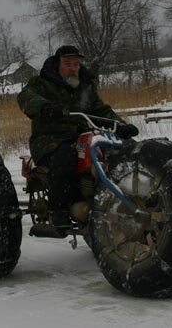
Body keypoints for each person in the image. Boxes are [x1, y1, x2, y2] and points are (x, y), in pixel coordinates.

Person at [17, 45, 139, 228]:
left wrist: (120, 126)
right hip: (49, 140)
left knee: (121, 150)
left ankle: (125, 196)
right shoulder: (41, 83)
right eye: (67, 63)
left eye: (76, 64)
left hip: (82, 137)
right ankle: (58, 209)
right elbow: (25, 98)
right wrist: (45, 108)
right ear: (57, 65)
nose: (72, 67)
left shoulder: (85, 86)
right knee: (66, 156)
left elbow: (101, 110)